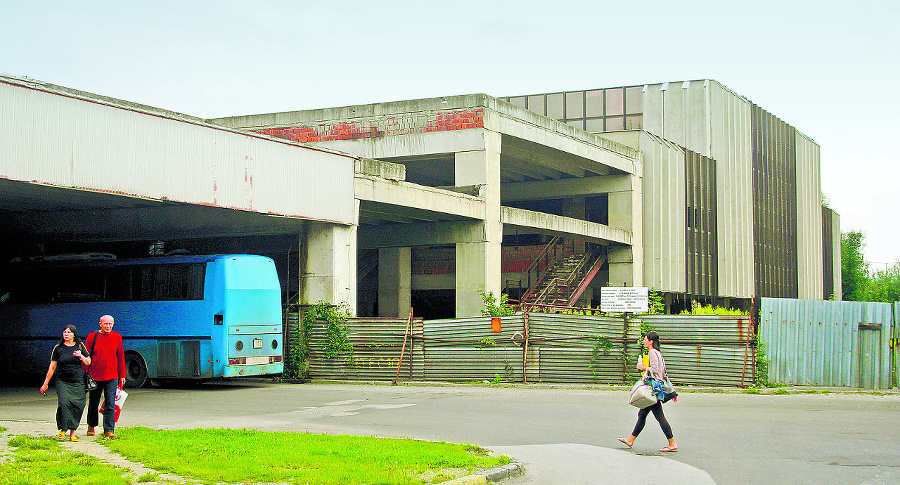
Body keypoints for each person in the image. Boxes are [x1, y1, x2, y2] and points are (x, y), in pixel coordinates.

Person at [618, 330, 679, 452]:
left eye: (645, 339)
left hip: (653, 389)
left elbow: (655, 370)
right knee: (642, 414)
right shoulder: (658, 353)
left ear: (650, 341)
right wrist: (672, 391)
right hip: (656, 388)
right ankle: (631, 439)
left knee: (659, 417)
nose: (644, 341)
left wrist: (642, 367)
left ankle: (672, 443)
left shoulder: (652, 352)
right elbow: (664, 373)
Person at [40, 324, 92, 441]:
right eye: (64, 332)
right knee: (64, 403)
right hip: (62, 380)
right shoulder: (58, 348)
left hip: (78, 381)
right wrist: (45, 383)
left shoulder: (79, 346)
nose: (66, 334)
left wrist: (81, 356)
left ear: (74, 334)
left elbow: (88, 361)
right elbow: (52, 367)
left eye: (69, 332)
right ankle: (63, 429)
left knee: (78, 405)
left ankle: (73, 433)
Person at [85, 314, 126, 439]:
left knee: (110, 403)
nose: (108, 326)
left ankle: (108, 430)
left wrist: (122, 375)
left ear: (113, 324)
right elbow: (86, 356)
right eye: (105, 324)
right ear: (100, 324)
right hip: (95, 375)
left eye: (110, 324)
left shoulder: (117, 337)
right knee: (93, 402)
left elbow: (120, 356)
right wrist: (85, 373)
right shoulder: (92, 336)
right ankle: (91, 425)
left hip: (112, 375)